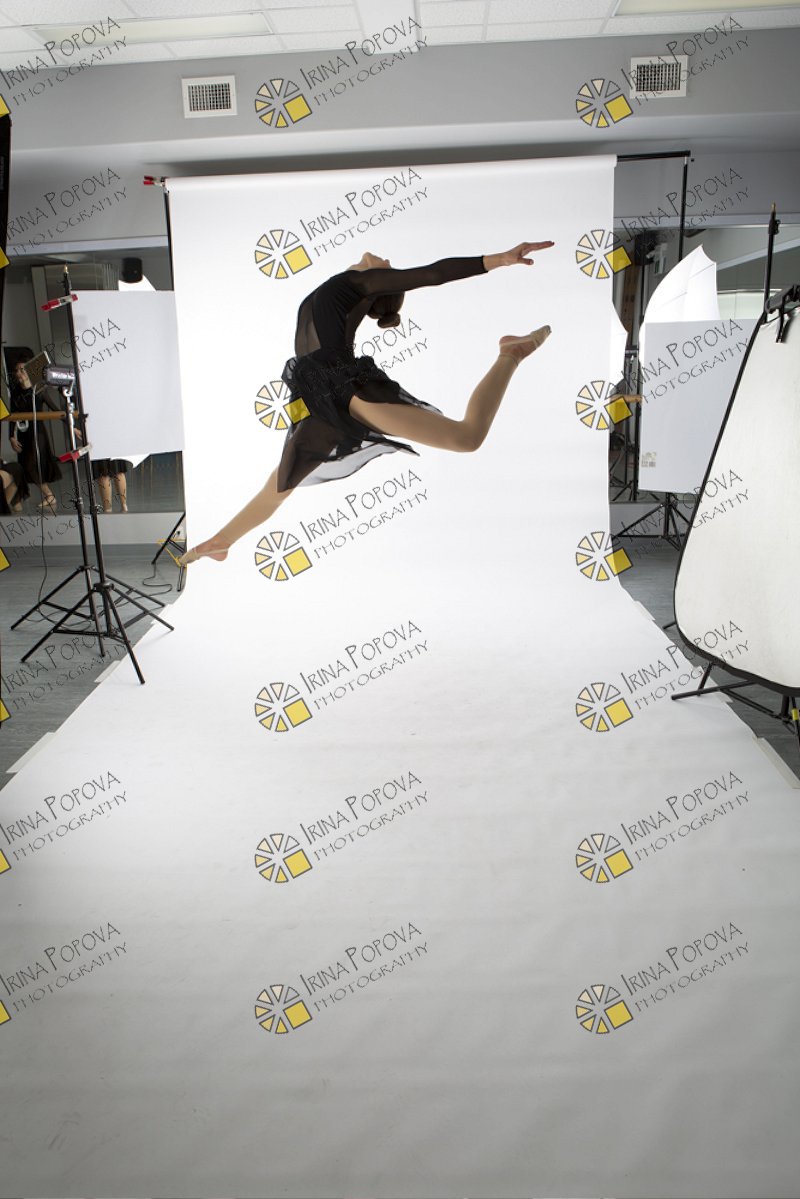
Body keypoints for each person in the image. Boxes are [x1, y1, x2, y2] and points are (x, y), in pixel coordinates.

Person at [179, 242, 553, 566]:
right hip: (317, 392)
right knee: (284, 478)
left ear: (377, 284)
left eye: (388, 269)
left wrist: (498, 259)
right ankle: (221, 541)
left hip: (334, 389)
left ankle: (511, 353)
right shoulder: (340, 287)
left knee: (466, 437)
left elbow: (433, 274)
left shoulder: (355, 284)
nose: (386, 260)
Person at [8, 359, 63, 513]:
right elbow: (12, 417)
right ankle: (35, 495)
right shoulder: (15, 393)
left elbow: (56, 410)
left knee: (31, 464)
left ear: (29, 371)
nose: (19, 373)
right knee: (25, 466)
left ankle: (48, 495)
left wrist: (73, 427)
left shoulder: (39, 391)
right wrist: (11, 437)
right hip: (23, 433)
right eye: (17, 370)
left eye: (22, 369)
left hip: (38, 434)